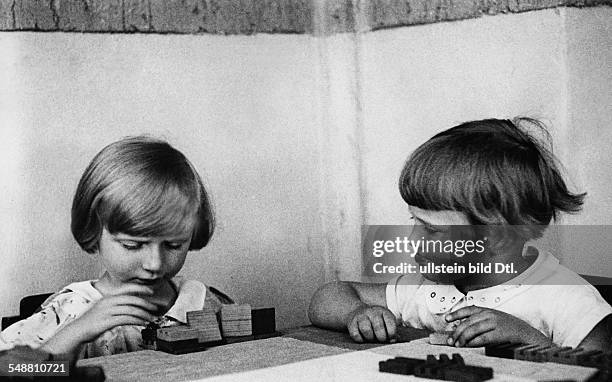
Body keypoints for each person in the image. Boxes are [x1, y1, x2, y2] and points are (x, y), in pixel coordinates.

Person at [309, 118, 612, 351]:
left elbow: (600, 370)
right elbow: (327, 297)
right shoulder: (426, 286)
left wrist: (530, 340)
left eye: (431, 229)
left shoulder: (565, 296)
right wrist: (358, 313)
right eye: (415, 221)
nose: (414, 239)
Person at [0, 136, 228, 359]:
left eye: (173, 245)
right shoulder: (70, 309)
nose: (154, 264)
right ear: (94, 232)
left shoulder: (200, 300)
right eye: (133, 245)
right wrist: (78, 332)